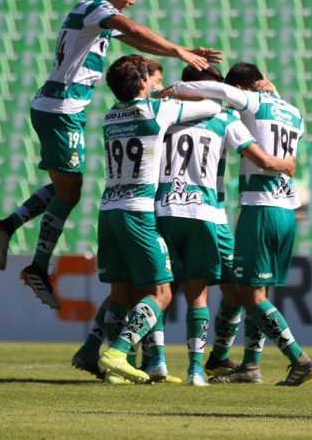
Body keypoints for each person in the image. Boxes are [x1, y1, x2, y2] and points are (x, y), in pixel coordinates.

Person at [0, 0, 221, 310]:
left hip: (61, 108)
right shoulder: (97, 8)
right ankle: (36, 265)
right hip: (61, 109)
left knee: (65, 186)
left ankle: (7, 225)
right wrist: (178, 52)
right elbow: (134, 27)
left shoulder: (94, 15)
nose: (133, 0)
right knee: (71, 192)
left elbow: (135, 38)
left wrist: (181, 49)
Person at [160, 61, 312, 387]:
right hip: (287, 209)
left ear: (242, 89)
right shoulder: (296, 113)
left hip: (260, 207)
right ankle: (248, 364)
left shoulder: (252, 102)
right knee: (253, 290)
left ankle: (298, 358)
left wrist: (175, 89)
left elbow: (218, 91)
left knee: (251, 295)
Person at [95, 55, 223, 384]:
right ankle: (118, 352)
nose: (155, 83)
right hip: (138, 212)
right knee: (161, 292)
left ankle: (114, 371)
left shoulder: (109, 116)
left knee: (121, 292)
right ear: (140, 83)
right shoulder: (157, 110)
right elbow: (211, 108)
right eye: (150, 79)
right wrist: (180, 89)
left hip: (108, 209)